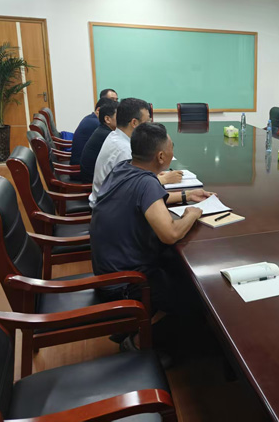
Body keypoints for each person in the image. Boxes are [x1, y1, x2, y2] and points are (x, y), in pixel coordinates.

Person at [90, 122, 213, 324]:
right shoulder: (147, 182)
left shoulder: (124, 167)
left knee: (177, 265)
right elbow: (170, 234)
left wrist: (188, 195)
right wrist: (192, 214)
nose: (173, 151)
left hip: (108, 271)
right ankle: (144, 336)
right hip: (125, 284)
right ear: (161, 156)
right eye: (171, 147)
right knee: (199, 297)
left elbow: (149, 200)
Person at [89, 98, 181, 207]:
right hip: (110, 207)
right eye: (147, 121)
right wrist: (164, 180)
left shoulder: (115, 136)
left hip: (107, 200)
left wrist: (154, 174)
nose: (150, 124)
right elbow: (139, 192)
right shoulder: (124, 150)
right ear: (134, 123)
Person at [70, 89, 119, 165]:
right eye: (112, 100)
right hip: (79, 168)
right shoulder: (96, 124)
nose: (114, 103)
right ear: (99, 110)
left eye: (116, 100)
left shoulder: (91, 119)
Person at [79, 99, 118, 183]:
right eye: (119, 117)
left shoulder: (102, 129)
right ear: (107, 119)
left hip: (92, 176)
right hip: (92, 181)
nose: (123, 120)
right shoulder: (108, 135)